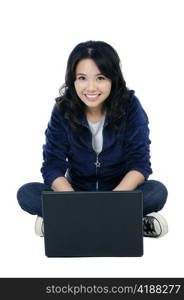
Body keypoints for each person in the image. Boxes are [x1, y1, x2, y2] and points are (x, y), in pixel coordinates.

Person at [17, 40, 168, 238]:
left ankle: (63, 222)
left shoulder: (130, 105)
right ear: (73, 80)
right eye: (82, 78)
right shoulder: (63, 110)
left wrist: (113, 200)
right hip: (76, 192)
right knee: (26, 193)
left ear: (113, 79)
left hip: (120, 191)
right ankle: (127, 223)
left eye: (100, 78)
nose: (91, 87)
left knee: (157, 192)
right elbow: (52, 164)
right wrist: (73, 201)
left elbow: (139, 164)